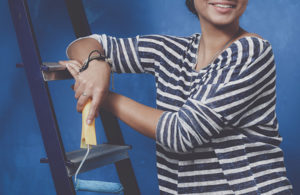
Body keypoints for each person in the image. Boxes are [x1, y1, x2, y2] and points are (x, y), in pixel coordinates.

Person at [59, 0, 293, 194]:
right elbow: (83, 44)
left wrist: (103, 94)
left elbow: (181, 133)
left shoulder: (251, 51)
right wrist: (97, 62)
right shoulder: (171, 52)